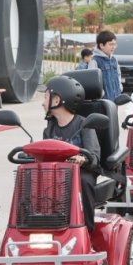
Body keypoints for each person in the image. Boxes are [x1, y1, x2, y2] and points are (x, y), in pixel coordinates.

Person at [43, 75, 100, 232]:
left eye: (46, 97)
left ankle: (87, 232)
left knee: (83, 181)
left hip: (81, 172)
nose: (42, 103)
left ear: (57, 100)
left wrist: (82, 158)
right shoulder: (49, 130)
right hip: (57, 172)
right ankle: (43, 226)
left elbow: (94, 157)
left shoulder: (84, 124)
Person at [91, 30, 122, 100]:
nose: (113, 47)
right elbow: (92, 81)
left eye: (115, 44)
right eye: (111, 44)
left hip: (116, 97)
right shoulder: (95, 60)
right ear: (101, 45)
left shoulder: (114, 59)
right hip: (103, 100)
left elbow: (118, 74)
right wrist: (101, 93)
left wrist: (120, 87)